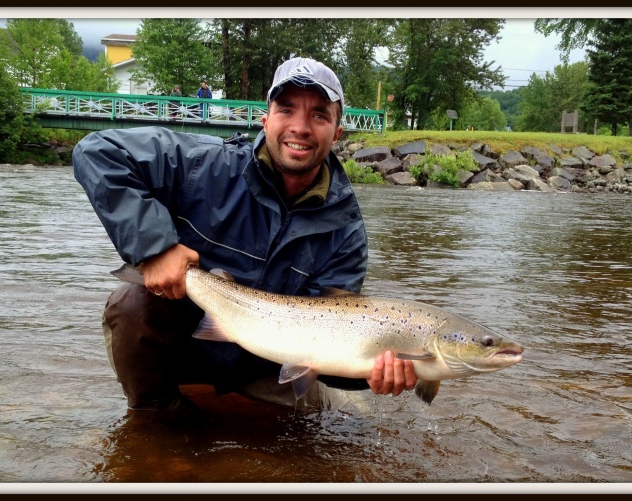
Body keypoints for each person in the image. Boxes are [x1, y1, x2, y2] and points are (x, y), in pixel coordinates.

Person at [73, 57, 417, 419]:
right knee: (132, 300)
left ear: (336, 133)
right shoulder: (203, 164)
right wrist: (154, 248)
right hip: (184, 348)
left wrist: (370, 373)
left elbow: (332, 349)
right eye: (287, 110)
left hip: (267, 370)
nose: (300, 127)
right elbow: (98, 152)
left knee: (331, 431)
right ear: (265, 119)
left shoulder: (346, 233)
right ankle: (158, 421)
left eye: (319, 115)